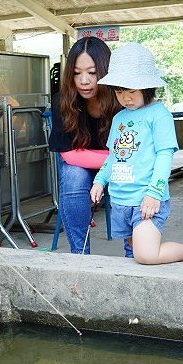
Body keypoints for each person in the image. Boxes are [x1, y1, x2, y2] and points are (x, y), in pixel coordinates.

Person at [89, 42, 183, 265]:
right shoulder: (119, 118)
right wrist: (99, 181)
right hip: (120, 200)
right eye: (119, 91)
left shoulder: (159, 114)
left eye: (132, 91)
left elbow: (165, 155)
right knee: (133, 254)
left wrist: (154, 193)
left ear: (147, 87)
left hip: (146, 198)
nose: (126, 98)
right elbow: (113, 156)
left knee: (146, 255)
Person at [48, 36, 120, 254]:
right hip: (97, 164)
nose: (84, 81)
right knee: (73, 175)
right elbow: (68, 155)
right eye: (77, 73)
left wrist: (119, 162)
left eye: (92, 72)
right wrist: (115, 158)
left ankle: (134, 252)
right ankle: (79, 255)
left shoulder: (122, 99)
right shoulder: (63, 101)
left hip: (120, 168)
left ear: (105, 70)